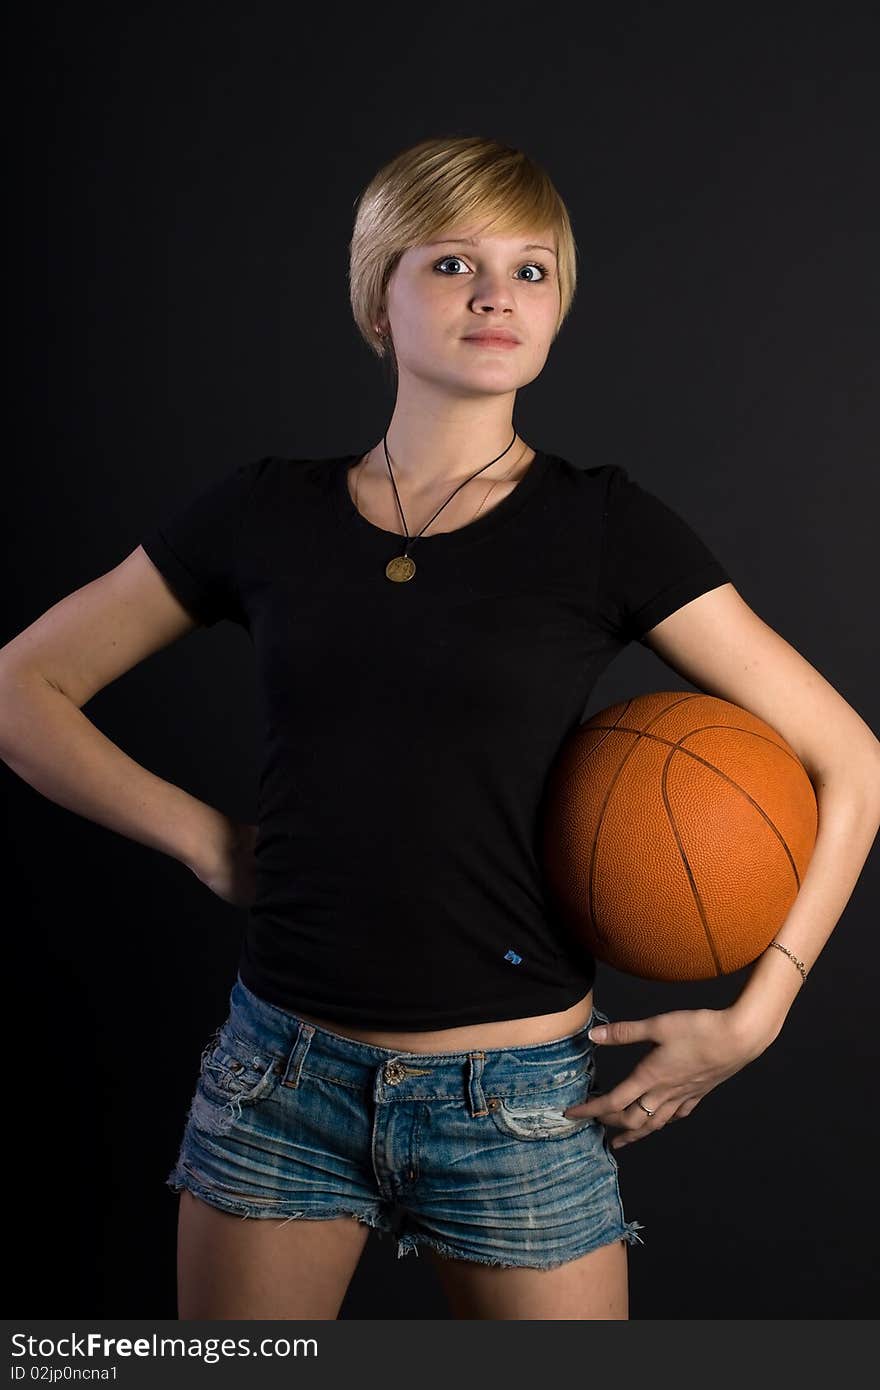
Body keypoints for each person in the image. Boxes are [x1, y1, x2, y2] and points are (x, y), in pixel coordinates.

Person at [2, 135, 878, 1322]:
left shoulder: (604, 527)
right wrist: (209, 842)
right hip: (281, 1081)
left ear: (559, 308)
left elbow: (850, 759)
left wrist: (757, 1013)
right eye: (452, 261)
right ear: (377, 299)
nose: (494, 294)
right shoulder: (265, 512)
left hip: (516, 1103)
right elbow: (22, 687)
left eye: (531, 271)